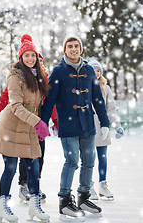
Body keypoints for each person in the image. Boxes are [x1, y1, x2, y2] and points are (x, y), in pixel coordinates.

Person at [41, 34, 110, 221]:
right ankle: (64, 201)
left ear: (81, 49)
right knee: (71, 161)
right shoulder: (58, 71)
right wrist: (42, 122)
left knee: (89, 161)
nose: (73, 49)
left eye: (76, 46)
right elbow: (49, 100)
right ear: (64, 50)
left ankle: (84, 197)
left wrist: (105, 122)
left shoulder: (89, 70)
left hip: (87, 123)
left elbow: (98, 99)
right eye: (70, 46)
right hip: (68, 123)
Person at [0, 34, 50, 223]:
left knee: (33, 167)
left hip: (29, 127)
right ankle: (3, 208)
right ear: (21, 58)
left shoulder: (40, 76)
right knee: (10, 168)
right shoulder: (15, 76)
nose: (30, 59)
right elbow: (15, 106)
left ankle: (34, 206)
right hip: (11, 127)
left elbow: (42, 103)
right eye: (26, 56)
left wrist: (47, 121)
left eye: (33, 55)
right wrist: (37, 122)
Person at [0, 53, 58, 203]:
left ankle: (34, 190)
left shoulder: (43, 78)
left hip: (39, 126)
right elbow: (6, 98)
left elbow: (51, 102)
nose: (33, 60)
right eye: (28, 57)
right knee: (20, 162)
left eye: (36, 58)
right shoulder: (19, 77)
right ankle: (24, 186)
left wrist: (55, 121)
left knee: (38, 160)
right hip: (22, 124)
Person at [87, 58, 124, 201]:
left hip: (102, 128)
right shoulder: (84, 86)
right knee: (89, 159)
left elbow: (111, 109)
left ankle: (103, 184)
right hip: (88, 129)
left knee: (103, 158)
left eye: (98, 71)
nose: (96, 73)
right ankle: (88, 185)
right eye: (93, 70)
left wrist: (117, 125)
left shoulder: (105, 88)